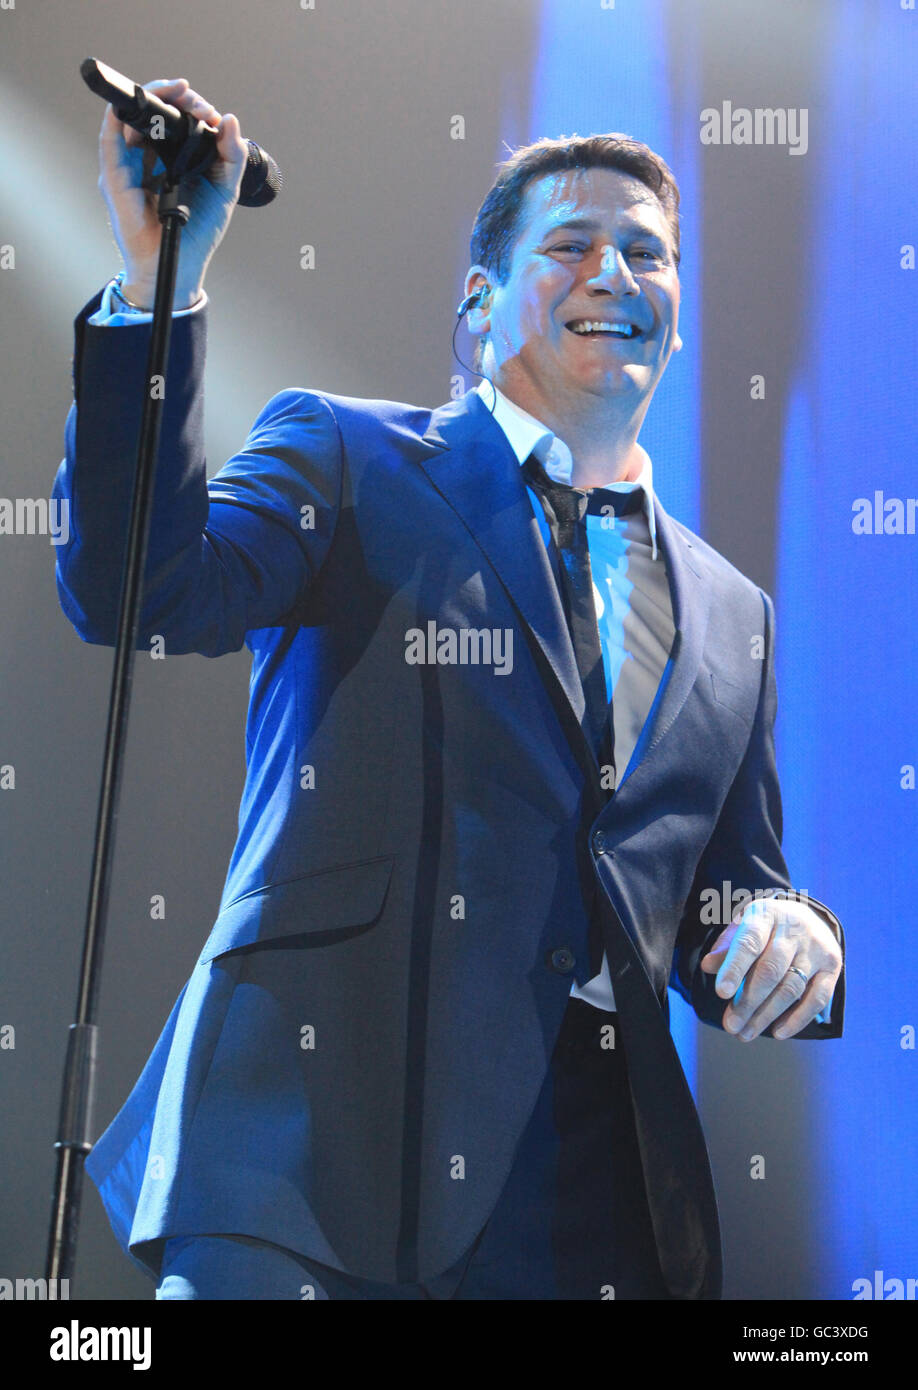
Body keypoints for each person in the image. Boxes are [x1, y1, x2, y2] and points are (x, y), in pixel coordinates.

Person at [53, 79, 845, 1301]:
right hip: (316, 1153)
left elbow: (715, 892)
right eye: (572, 245)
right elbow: (138, 589)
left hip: (592, 1200)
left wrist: (787, 933)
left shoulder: (737, 614)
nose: (615, 275)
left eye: (648, 254)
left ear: (677, 317)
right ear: (478, 301)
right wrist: (160, 290)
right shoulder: (350, 453)